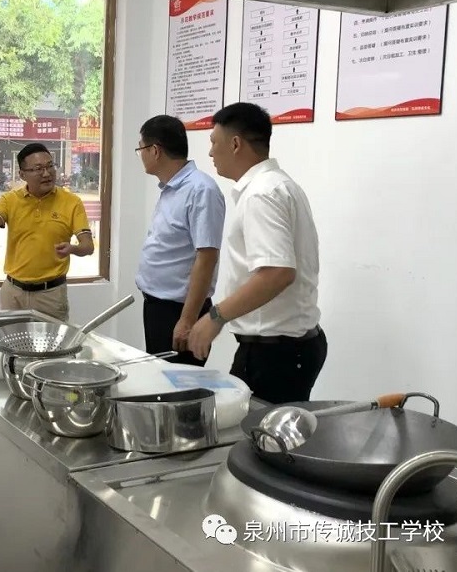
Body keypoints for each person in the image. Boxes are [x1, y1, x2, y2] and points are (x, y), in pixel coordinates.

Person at [187, 102, 327, 404]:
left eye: (214, 142)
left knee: (258, 431)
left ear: (235, 144)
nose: (210, 153)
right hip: (289, 347)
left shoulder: (261, 194)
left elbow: (278, 273)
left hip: (277, 354)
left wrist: (215, 317)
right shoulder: (281, 185)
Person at [134, 115, 226, 367]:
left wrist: (187, 320)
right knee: (159, 380)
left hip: (181, 312)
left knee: (179, 385)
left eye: (141, 149)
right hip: (158, 307)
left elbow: (206, 258)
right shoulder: (171, 188)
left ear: (155, 151)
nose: (140, 155)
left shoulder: (200, 190)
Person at [0, 143, 93, 322]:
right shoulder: (10, 200)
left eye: (50, 166)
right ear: (22, 175)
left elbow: (88, 246)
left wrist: (72, 249)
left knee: (51, 341)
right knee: (12, 340)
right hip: (13, 294)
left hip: (51, 295)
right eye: (38, 169)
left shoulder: (72, 202)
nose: (47, 173)